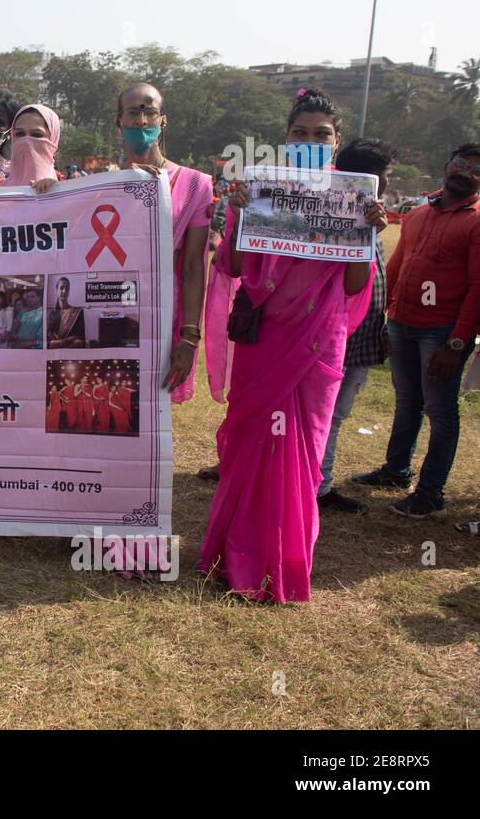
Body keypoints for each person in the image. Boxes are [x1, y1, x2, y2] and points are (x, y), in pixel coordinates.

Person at [199, 87, 384, 603]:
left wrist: (364, 234)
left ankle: (283, 563)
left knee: (302, 451)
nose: (309, 141)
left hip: (317, 345)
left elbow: (351, 289)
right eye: (299, 134)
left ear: (336, 142)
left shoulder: (351, 202)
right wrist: (238, 216)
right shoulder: (261, 195)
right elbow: (234, 269)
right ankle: (234, 554)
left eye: (320, 135)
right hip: (266, 339)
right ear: (284, 141)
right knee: (251, 441)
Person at [350, 142, 480, 517]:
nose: (466, 172)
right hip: (403, 324)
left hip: (442, 332)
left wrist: (456, 343)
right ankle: (396, 470)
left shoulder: (476, 220)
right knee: (407, 402)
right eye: (461, 163)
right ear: (447, 164)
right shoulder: (420, 213)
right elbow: (398, 266)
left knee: (441, 411)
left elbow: (477, 288)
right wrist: (387, 317)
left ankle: (431, 494)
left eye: (476, 170)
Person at [115, 83, 213, 402]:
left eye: (149, 111)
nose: (141, 121)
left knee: (154, 418)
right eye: (133, 112)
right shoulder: (98, 186)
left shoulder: (195, 185)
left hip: (162, 316)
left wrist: (188, 336)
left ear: (162, 120)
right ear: (119, 123)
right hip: (109, 310)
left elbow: (193, 264)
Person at [315, 140, 397, 514]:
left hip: (363, 336)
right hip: (339, 336)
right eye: (386, 177)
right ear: (369, 178)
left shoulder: (370, 218)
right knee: (329, 415)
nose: (387, 184)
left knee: (338, 414)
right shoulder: (335, 217)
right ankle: (319, 485)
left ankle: (319, 480)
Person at [0, 104, 62, 193]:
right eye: (20, 134)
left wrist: (55, 193)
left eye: (37, 135)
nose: (26, 141)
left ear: (53, 139)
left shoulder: (68, 191)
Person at [46, 277, 86, 348]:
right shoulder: (52, 314)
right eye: (61, 288)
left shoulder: (77, 312)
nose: (64, 291)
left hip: (72, 354)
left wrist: (65, 347)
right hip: (54, 355)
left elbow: (80, 339)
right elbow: (48, 341)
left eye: (67, 288)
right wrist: (63, 342)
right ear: (56, 290)